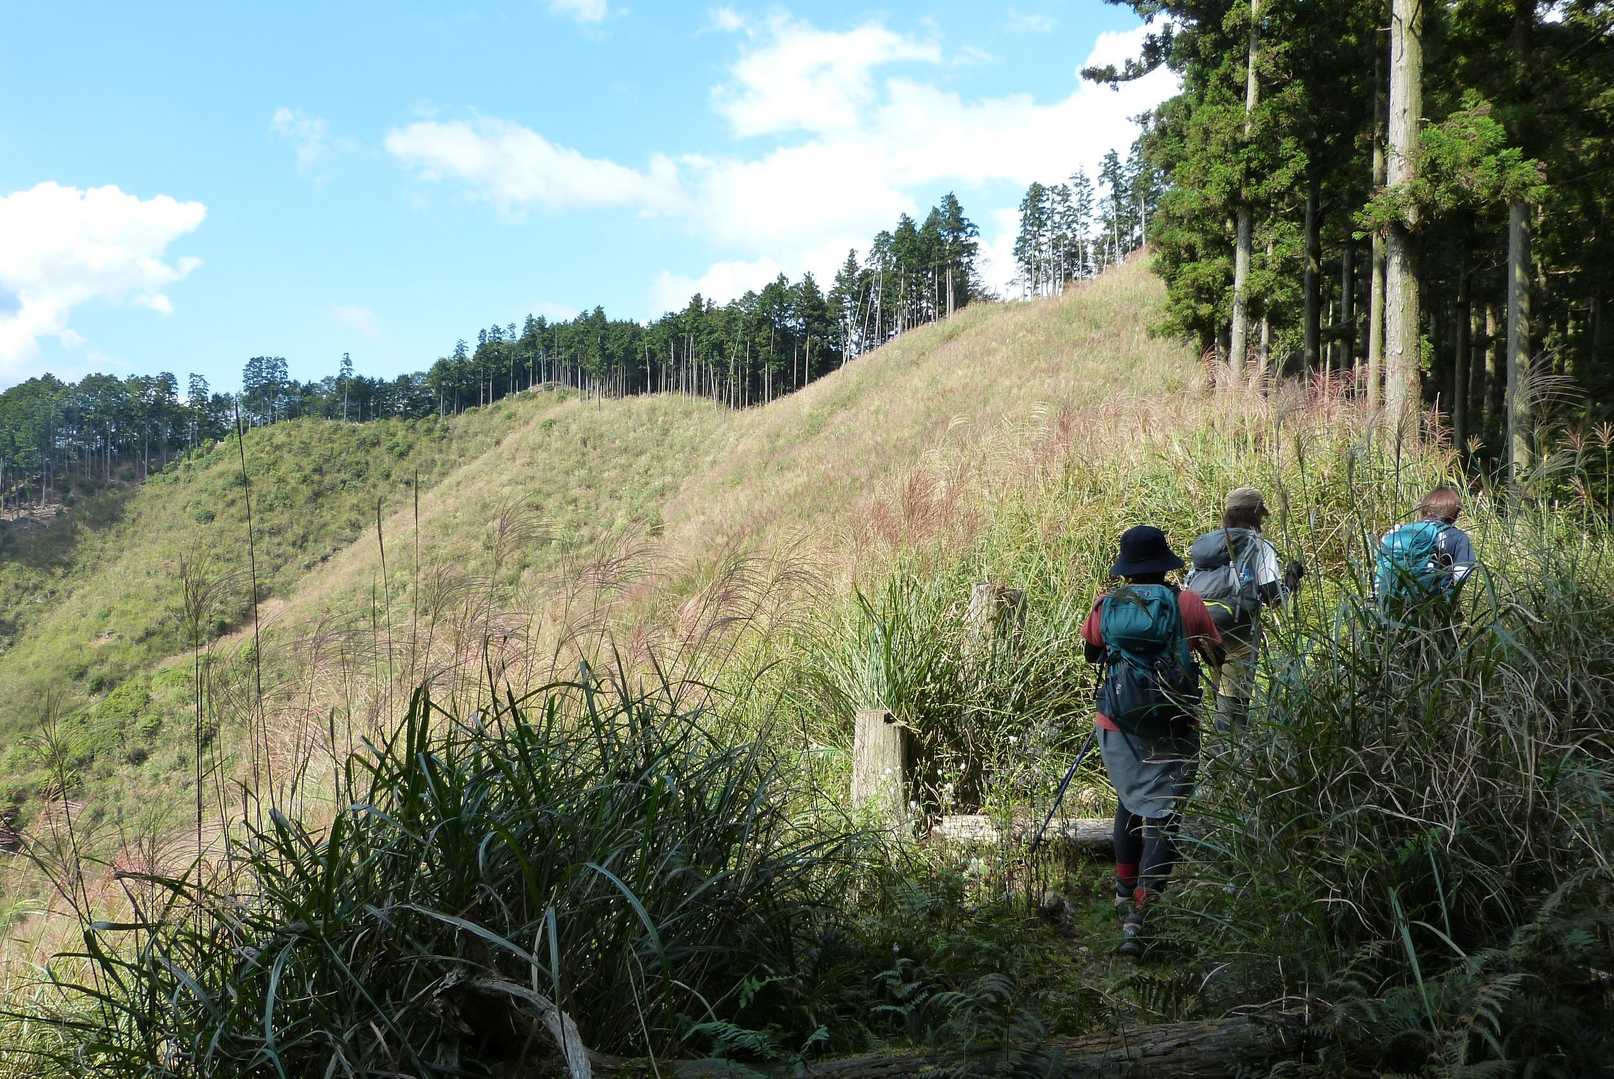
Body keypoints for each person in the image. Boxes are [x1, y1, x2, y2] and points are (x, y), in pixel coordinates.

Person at [1081, 525, 1224, 957]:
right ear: (1165, 563)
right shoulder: (1187, 603)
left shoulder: (1107, 605)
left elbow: (1091, 654)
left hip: (1117, 724)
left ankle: (1123, 891)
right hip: (1174, 724)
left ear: (1125, 567)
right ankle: (1142, 913)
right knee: (1165, 813)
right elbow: (1214, 654)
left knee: (1129, 802)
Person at [1184, 487, 1304, 731]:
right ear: (1257, 514)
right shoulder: (1258, 545)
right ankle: (1229, 748)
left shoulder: (1208, 545)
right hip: (1239, 630)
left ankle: (1222, 745)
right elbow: (1274, 598)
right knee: (1232, 701)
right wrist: (1291, 580)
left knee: (1221, 688)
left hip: (1203, 625)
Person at [1375, 485, 1476, 608]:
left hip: (1394, 605)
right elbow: (1461, 576)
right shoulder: (1457, 536)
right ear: (1455, 514)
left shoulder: (1403, 530)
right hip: (1434, 607)